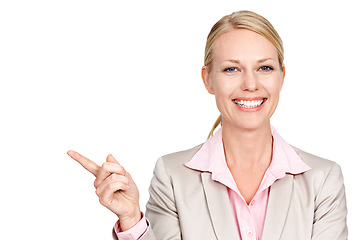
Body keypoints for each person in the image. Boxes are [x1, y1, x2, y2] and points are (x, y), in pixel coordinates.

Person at [67, 10, 348, 240]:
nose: (250, 84)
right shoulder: (172, 176)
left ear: (282, 76)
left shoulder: (323, 180)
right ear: (207, 79)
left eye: (264, 68)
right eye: (231, 69)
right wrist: (130, 218)